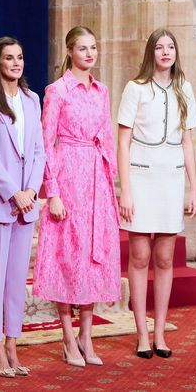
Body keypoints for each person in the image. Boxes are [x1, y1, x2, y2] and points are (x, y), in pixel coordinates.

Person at [33, 26, 121, 367]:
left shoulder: (101, 90)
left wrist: (112, 184)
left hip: (97, 181)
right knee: (68, 257)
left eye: (93, 48)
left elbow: (108, 137)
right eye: (82, 48)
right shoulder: (57, 91)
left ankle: (86, 335)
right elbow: (45, 143)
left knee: (92, 258)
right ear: (70, 52)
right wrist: (52, 192)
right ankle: (67, 337)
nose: (89, 53)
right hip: (69, 175)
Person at [117, 28, 196, 359]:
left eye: (171, 47)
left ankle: (160, 333)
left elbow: (187, 141)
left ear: (175, 53)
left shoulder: (185, 89)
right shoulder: (135, 88)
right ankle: (141, 333)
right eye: (160, 47)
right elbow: (123, 141)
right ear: (151, 52)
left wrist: (194, 188)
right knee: (139, 256)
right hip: (141, 179)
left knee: (165, 257)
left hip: (171, 181)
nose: (166, 52)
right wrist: (125, 191)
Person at [0, 37, 45, 377]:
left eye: (20, 57)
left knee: (16, 281)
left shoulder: (32, 100)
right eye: (9, 58)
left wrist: (31, 189)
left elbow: (40, 151)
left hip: (25, 205)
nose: (16, 63)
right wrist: (14, 192)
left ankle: (13, 345)